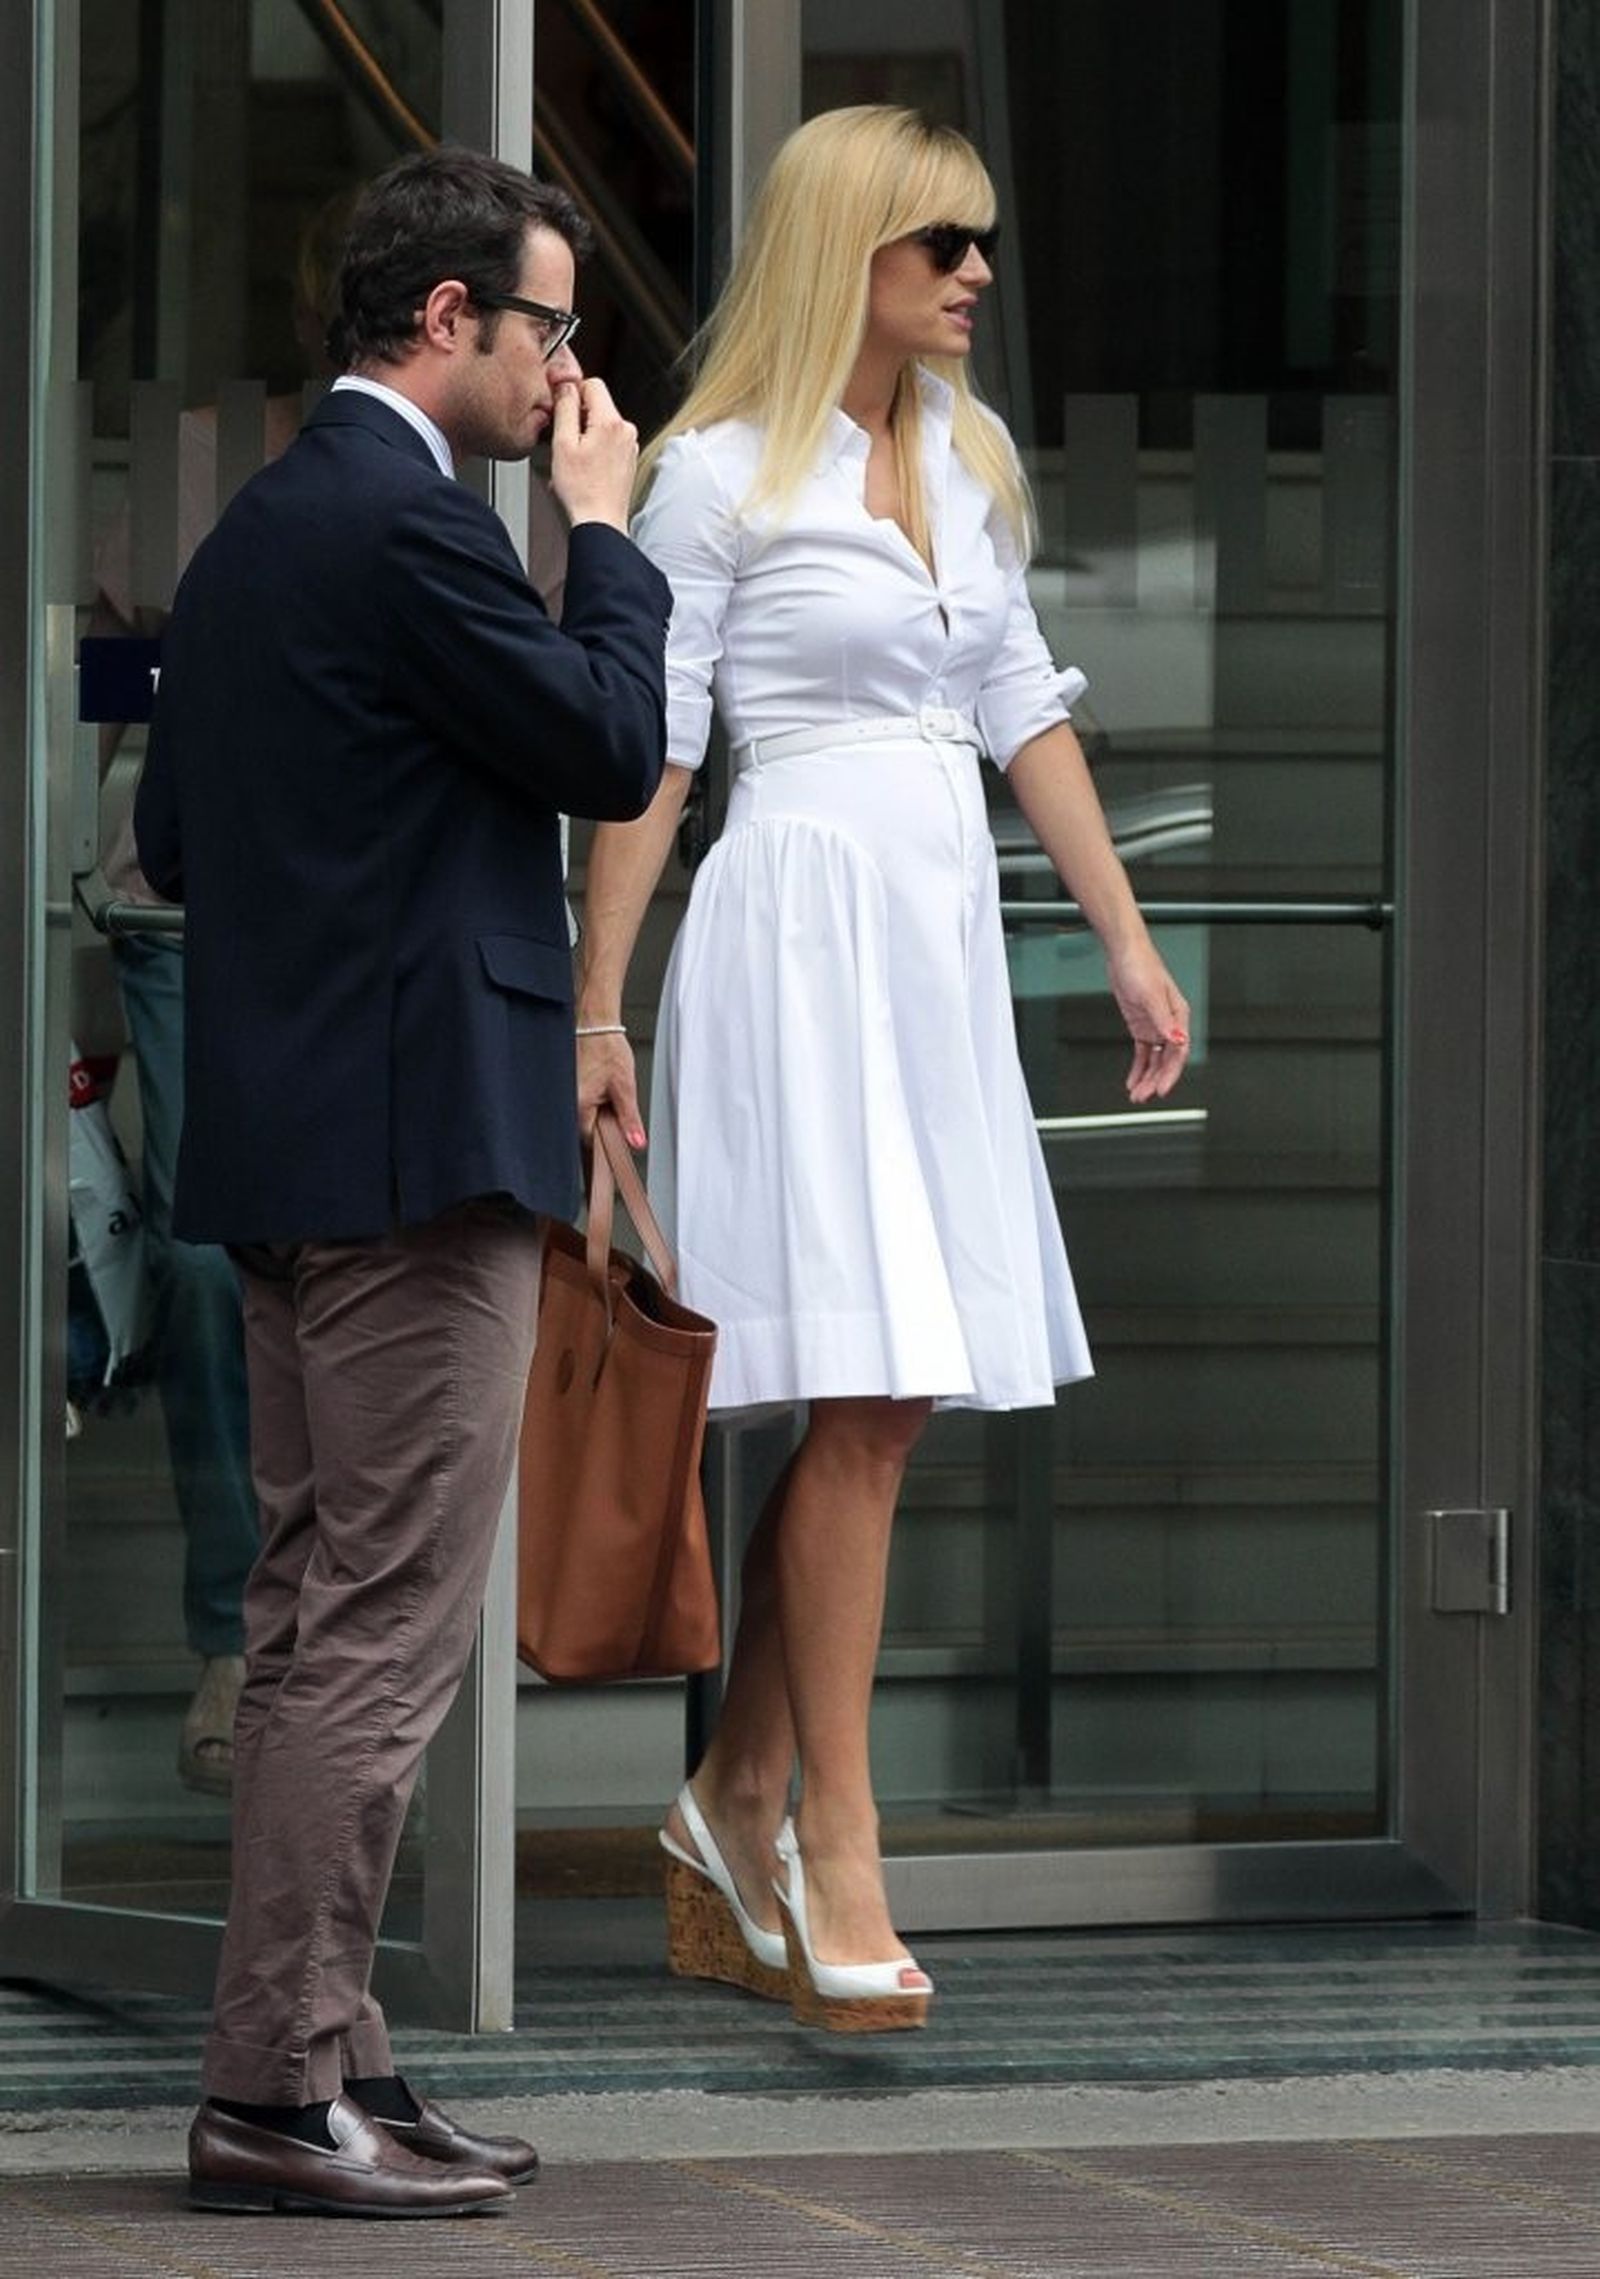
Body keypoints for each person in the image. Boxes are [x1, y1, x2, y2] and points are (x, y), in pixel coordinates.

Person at [577, 106, 1190, 2035]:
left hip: (933, 949)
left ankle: (735, 1796)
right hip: (797, 938)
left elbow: (1025, 712)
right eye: (943, 244)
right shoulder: (717, 478)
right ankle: (830, 1830)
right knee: (865, 1388)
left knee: (890, 1392)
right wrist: (598, 1012)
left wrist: (1124, 932)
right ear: (851, 249)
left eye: (982, 243)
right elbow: (652, 760)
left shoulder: (971, 464)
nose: (976, 274)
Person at [135, 145, 668, 2216]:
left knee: (301, 1624)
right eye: (546, 329)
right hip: (416, 1155)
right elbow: (613, 741)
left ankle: (330, 2046)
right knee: (375, 1633)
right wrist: (600, 536)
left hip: (285, 1151)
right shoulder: (417, 528)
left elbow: (180, 836)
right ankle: (276, 2093)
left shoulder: (267, 527)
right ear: (445, 319)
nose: (564, 375)